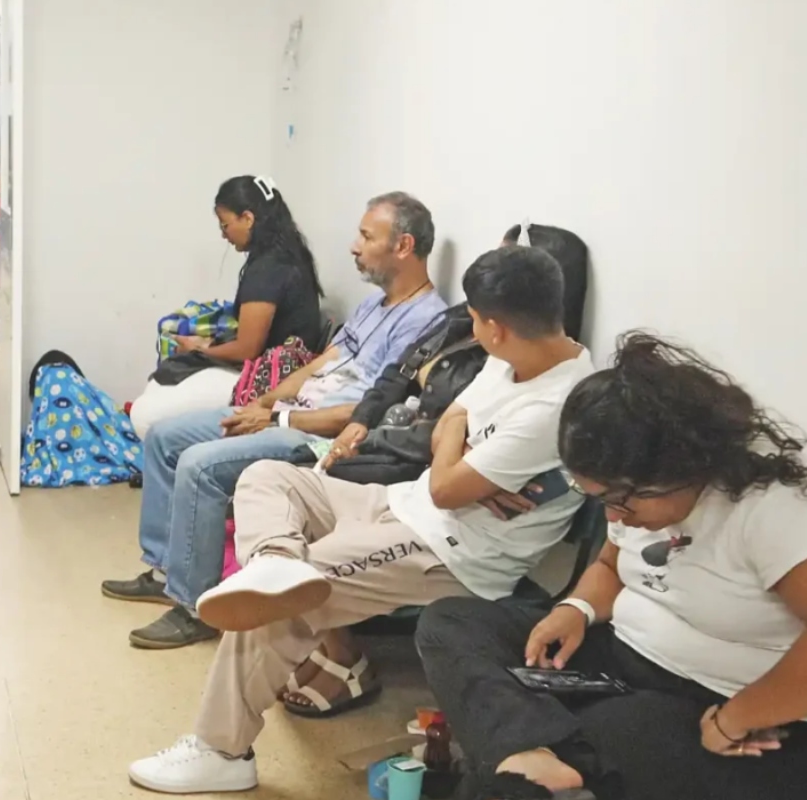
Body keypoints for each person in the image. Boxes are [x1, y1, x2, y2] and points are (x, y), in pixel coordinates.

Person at [127, 244, 596, 794]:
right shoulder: (516, 353)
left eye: (473, 320)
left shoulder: (555, 407)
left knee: (278, 603)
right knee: (267, 478)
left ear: (495, 328)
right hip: (406, 503)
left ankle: (221, 751)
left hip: (452, 553)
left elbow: (446, 489)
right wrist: (459, 448)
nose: (472, 329)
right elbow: (450, 421)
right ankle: (275, 560)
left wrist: (455, 456)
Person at [414, 334, 807, 800]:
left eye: (621, 501)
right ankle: (527, 752)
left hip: (733, 702)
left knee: (606, 736)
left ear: (683, 467)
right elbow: (612, 564)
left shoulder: (779, 501)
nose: (613, 518)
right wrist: (575, 609)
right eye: (600, 499)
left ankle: (533, 755)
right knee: (449, 623)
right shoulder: (638, 486)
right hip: (628, 656)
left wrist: (736, 719)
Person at [102, 192, 447, 650]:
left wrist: (281, 418)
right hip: (287, 412)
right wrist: (263, 402)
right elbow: (322, 362)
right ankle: (166, 569)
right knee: (165, 437)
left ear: (403, 246)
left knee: (200, 466)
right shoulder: (373, 306)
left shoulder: (427, 322)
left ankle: (193, 607)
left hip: (315, 432)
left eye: (366, 237)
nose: (354, 246)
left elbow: (372, 411)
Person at [129, 176, 324, 436]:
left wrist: (201, 349)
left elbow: (247, 349)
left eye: (225, 225)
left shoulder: (269, 269)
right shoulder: (284, 255)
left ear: (248, 218)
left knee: (143, 415)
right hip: (271, 367)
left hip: (269, 378)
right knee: (157, 385)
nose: (224, 234)